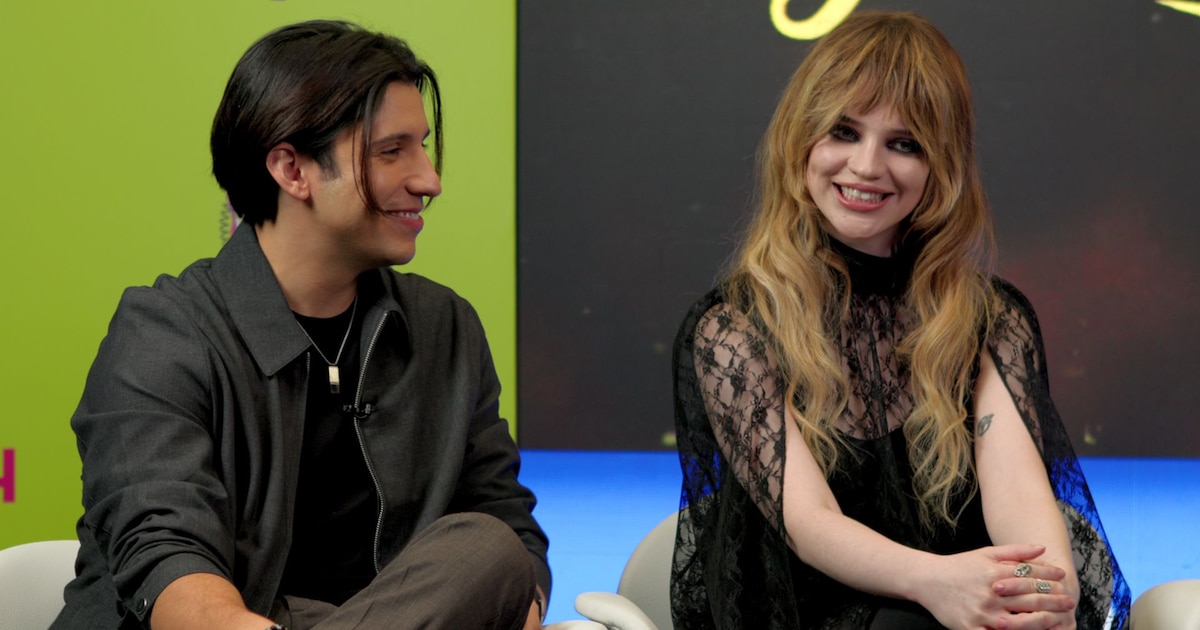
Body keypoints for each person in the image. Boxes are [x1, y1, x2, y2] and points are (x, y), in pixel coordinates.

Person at [53, 20, 548, 630]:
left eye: (423, 147)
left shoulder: (444, 328)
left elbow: (507, 525)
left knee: (489, 549)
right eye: (392, 151)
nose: (429, 180)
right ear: (292, 170)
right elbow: (167, 560)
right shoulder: (163, 333)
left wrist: (516, 605)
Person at [671, 11, 1130, 630]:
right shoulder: (733, 329)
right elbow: (809, 524)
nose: (866, 166)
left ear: (941, 165)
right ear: (800, 140)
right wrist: (940, 584)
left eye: (903, 144)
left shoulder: (991, 319)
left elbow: (1021, 501)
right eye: (843, 132)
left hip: (968, 601)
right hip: (810, 610)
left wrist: (1044, 592)